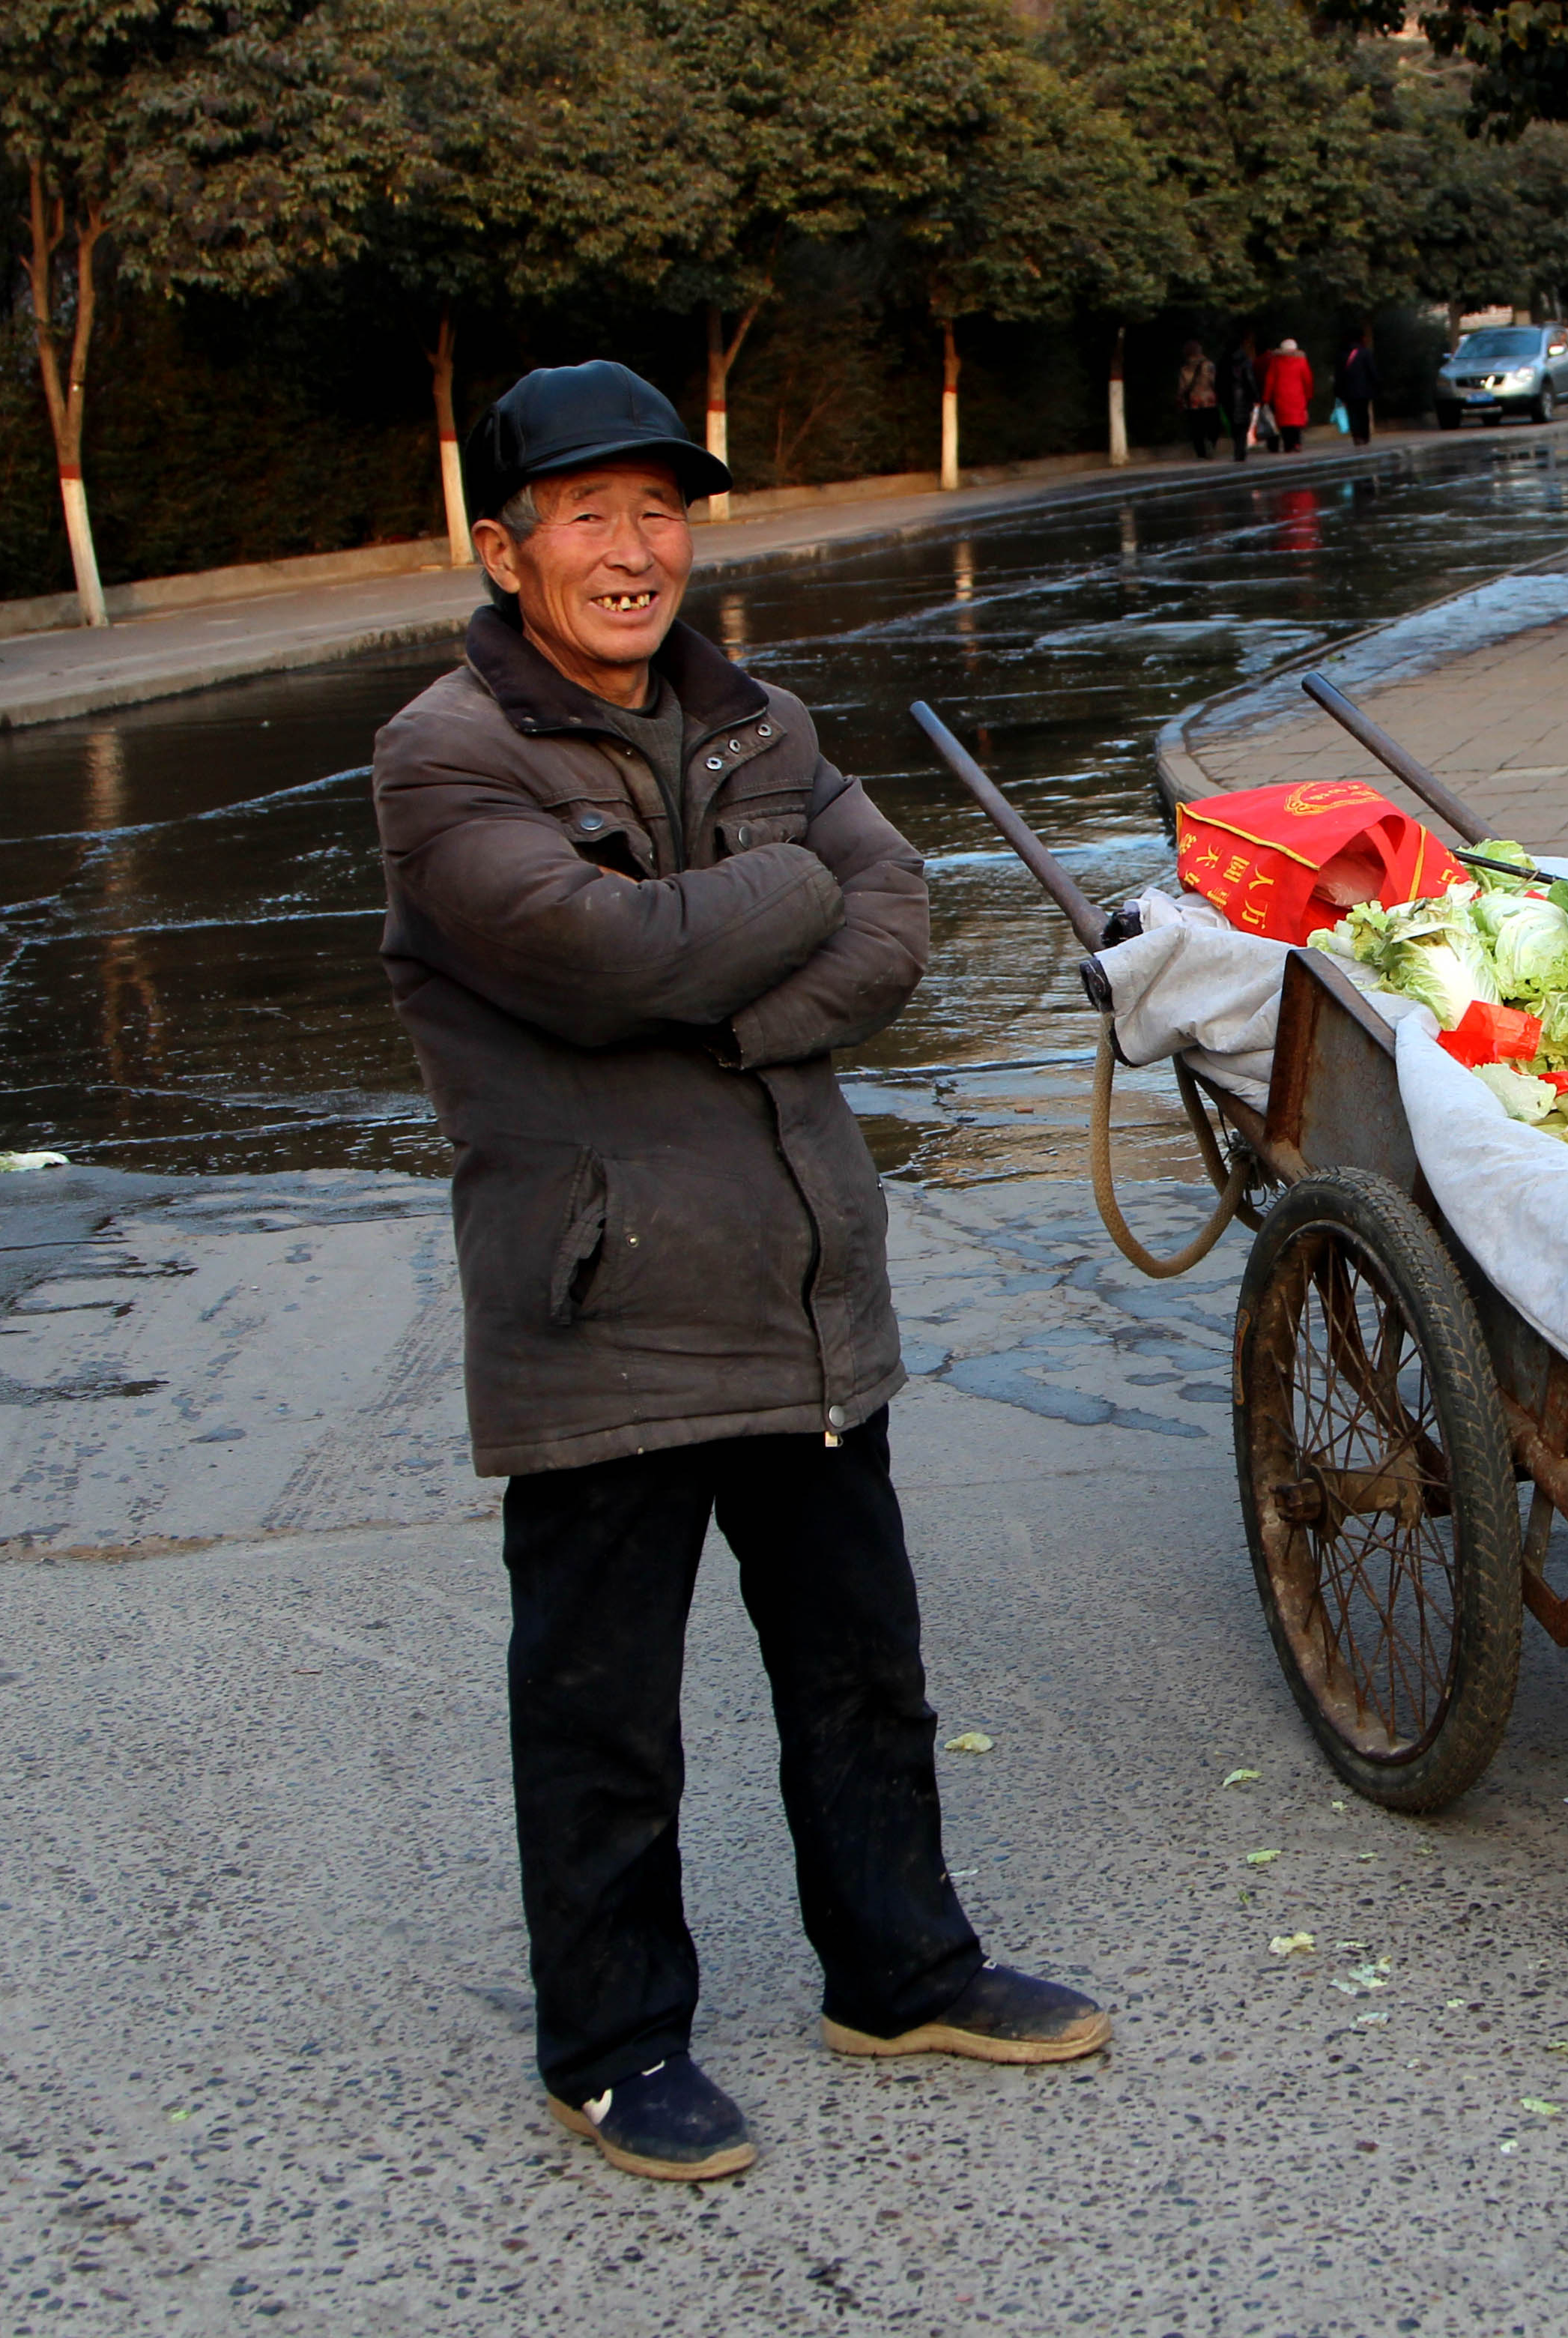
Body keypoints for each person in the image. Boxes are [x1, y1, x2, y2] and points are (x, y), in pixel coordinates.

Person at [369, 360, 1107, 2185]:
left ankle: (899, 1966)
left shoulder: (760, 717)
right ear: (504, 546)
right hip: (608, 1298)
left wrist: (715, 980)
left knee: (863, 1662)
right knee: (603, 1703)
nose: (635, 552)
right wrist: (764, 911)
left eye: (661, 511)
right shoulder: (446, 750)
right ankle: (613, 2044)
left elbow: (904, 910)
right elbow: (594, 953)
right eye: (592, 515)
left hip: (801, 1281)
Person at [1261, 336, 1314, 455]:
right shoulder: (1302, 361)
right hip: (1298, 396)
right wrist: (1309, 395)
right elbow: (1308, 380)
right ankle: (1297, 442)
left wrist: (1266, 397)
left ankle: (1288, 445)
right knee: (1296, 421)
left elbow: (1270, 380)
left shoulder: (1276, 362)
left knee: (1284, 423)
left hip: (1281, 396)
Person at [1175, 339, 1223, 460]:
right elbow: (1215, 382)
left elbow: (1182, 388)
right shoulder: (1209, 365)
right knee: (1213, 425)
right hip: (1209, 400)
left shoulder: (1184, 369)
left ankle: (1201, 453)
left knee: (1196, 428)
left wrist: (1180, 398)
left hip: (1193, 402)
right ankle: (1211, 443)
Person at [1222, 336, 1263, 464]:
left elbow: (1219, 382)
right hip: (1243, 396)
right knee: (1243, 424)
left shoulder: (1223, 361)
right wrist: (1256, 396)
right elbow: (1250, 379)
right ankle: (1240, 452)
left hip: (1228, 396)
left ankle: (1238, 451)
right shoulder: (1244, 361)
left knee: (1234, 423)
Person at [1334, 332, 1378, 447]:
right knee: (1363, 413)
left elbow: (1338, 375)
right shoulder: (1365, 353)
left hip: (1348, 391)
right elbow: (1372, 372)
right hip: (1364, 390)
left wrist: (1338, 392)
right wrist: (1375, 385)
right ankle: (1365, 436)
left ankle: (1357, 436)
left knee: (1352, 414)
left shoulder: (1341, 355)